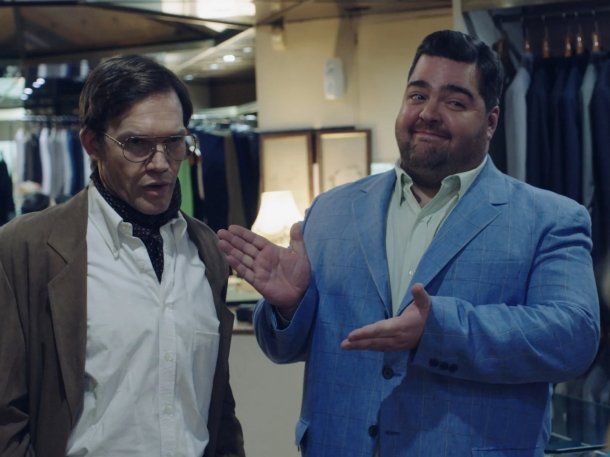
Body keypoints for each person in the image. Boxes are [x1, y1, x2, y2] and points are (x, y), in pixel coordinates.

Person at [218, 30, 600, 456]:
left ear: (491, 121)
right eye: (418, 96)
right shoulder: (331, 210)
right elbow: (284, 348)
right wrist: (291, 307)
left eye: (454, 102)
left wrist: (439, 329)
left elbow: (573, 338)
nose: (429, 113)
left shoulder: (549, 219)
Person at [0, 55, 244, 457]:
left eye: (174, 142)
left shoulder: (205, 249)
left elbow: (216, 406)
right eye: (137, 144)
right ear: (92, 144)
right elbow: (6, 415)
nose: (161, 164)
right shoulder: (28, 248)